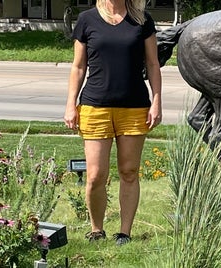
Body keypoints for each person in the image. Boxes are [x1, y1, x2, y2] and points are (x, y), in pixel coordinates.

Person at [63, 0, 161, 246]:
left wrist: (157, 101)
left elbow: (152, 64)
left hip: (134, 107)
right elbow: (78, 67)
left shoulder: (142, 20)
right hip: (95, 106)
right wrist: (70, 104)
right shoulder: (87, 19)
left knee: (129, 171)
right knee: (96, 175)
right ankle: (97, 229)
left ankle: (125, 233)